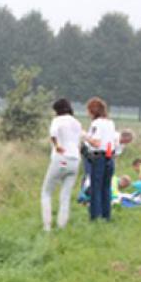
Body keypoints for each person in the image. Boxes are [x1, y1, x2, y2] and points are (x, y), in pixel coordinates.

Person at [41, 98, 83, 231]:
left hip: (61, 158)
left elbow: (53, 133)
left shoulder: (58, 120)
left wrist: (57, 145)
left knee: (46, 193)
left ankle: (47, 226)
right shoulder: (77, 122)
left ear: (57, 110)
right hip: (75, 160)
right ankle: (61, 226)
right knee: (65, 196)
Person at [83, 97, 116, 221]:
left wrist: (85, 136)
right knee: (106, 188)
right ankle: (106, 215)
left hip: (99, 158)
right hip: (109, 156)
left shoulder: (96, 123)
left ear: (92, 111)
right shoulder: (110, 123)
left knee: (96, 188)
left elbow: (96, 142)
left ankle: (95, 216)